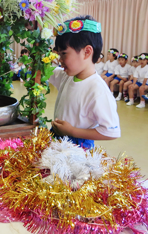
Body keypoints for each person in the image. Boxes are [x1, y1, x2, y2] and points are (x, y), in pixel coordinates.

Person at [49, 15, 120, 150]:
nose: (60, 59)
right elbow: (45, 70)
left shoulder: (97, 90)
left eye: (64, 54)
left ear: (87, 52)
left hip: (78, 147)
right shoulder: (67, 75)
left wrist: (71, 131)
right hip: (57, 138)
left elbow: (111, 132)